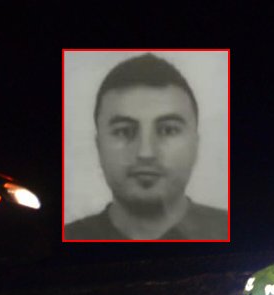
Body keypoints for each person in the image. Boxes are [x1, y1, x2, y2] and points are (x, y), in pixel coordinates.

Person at [65, 53, 228, 240]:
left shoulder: (242, 233)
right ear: (98, 146)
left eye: (168, 130)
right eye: (123, 131)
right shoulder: (64, 240)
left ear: (196, 144)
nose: (146, 153)